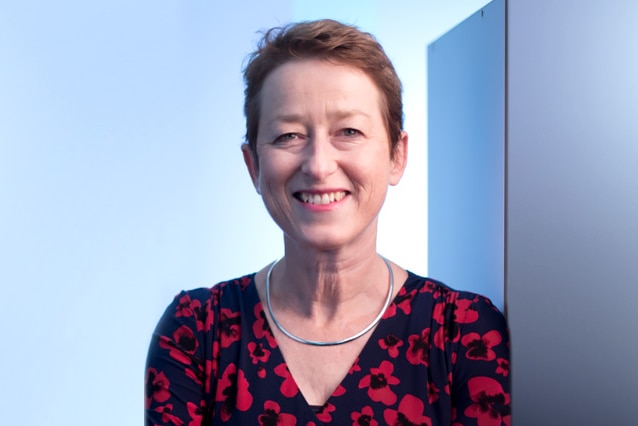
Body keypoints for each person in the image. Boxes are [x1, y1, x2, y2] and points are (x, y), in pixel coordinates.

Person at [145, 19, 510, 425]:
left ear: (396, 155)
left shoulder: (464, 334)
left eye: (349, 131)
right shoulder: (196, 333)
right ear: (253, 165)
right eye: (288, 136)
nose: (318, 166)